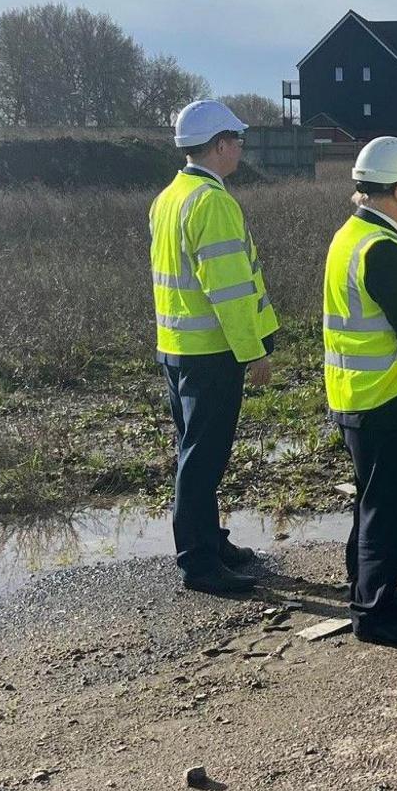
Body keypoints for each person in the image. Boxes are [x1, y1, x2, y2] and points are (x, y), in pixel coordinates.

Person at [150, 99, 280, 596]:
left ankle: (209, 540)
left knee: (193, 451)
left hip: (178, 346)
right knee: (204, 457)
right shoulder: (213, 203)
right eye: (237, 140)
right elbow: (228, 291)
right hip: (210, 351)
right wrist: (254, 352)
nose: (242, 147)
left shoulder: (170, 197)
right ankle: (198, 562)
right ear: (220, 145)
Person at [322, 136, 397, 646]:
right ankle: (376, 614)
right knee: (388, 510)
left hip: (357, 396)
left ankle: (369, 587)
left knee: (372, 503)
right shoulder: (381, 248)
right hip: (386, 399)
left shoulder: (353, 235)